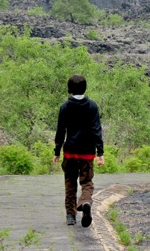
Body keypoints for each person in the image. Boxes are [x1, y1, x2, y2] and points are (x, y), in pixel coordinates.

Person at [53, 74, 105, 227]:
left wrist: (56, 151)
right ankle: (86, 201)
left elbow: (60, 131)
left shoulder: (65, 107)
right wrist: (100, 153)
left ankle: (70, 215)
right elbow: (97, 130)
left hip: (70, 151)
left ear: (69, 89)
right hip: (87, 151)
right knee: (87, 181)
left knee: (70, 183)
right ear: (85, 87)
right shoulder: (92, 106)